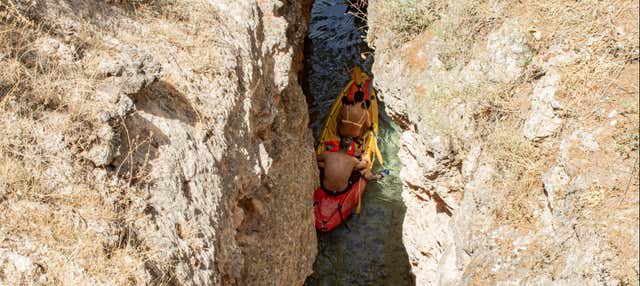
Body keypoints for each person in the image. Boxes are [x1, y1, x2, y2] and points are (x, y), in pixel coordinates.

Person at [317, 137, 383, 195]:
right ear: (350, 148)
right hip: (341, 191)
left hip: (325, 188)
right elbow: (365, 164)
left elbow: (316, 158)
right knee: (364, 171)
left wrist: (326, 164)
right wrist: (363, 156)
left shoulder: (327, 155)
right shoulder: (353, 160)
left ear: (339, 145)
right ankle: (375, 177)